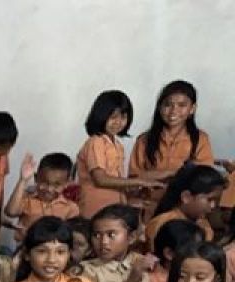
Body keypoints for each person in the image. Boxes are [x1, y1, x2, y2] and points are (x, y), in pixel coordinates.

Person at [129, 80, 216, 221]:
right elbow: (134, 178)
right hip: (150, 209)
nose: (174, 111)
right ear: (159, 108)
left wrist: (156, 175)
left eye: (182, 105)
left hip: (185, 211)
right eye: (168, 105)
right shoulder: (145, 140)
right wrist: (172, 173)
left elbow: (204, 179)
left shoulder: (200, 139)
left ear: (192, 109)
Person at [75, 90, 162, 219]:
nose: (118, 122)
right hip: (95, 210)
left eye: (123, 117)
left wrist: (130, 197)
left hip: (113, 209)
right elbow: (100, 180)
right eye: (113, 117)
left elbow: (117, 181)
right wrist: (139, 182)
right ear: (101, 116)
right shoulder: (96, 142)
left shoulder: (118, 145)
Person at [144, 163, 226, 244]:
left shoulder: (204, 226)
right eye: (209, 200)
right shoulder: (162, 224)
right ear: (186, 197)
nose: (213, 206)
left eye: (216, 201)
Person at [4, 152, 79, 238]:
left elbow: (69, 237)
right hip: (25, 246)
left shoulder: (71, 209)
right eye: (44, 183)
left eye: (57, 185)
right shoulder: (27, 199)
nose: (49, 189)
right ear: (36, 178)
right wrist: (23, 180)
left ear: (67, 183)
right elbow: (10, 212)